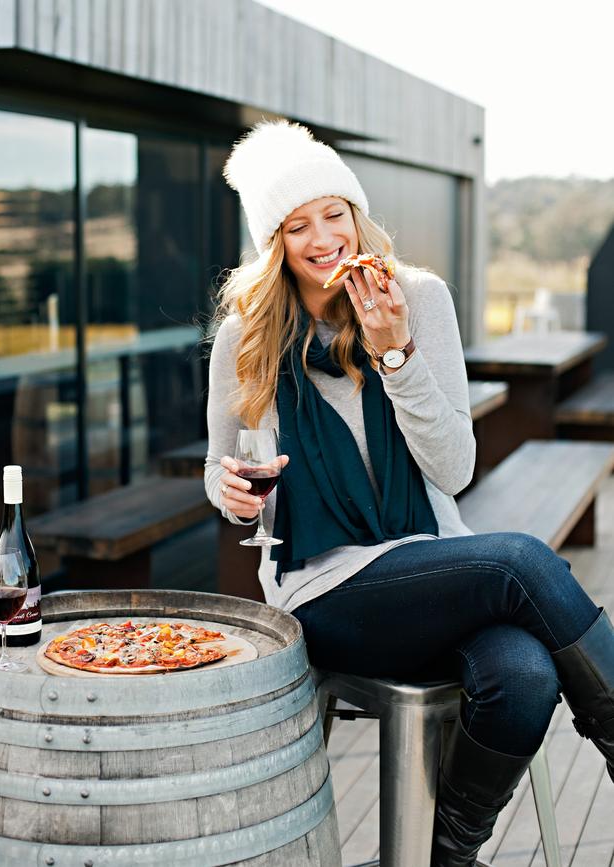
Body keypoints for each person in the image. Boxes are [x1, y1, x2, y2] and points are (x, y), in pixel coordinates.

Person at [204, 120, 614, 867]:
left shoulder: (418, 298)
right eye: (297, 226)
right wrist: (231, 492)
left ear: (357, 215)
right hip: (323, 585)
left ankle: (445, 860)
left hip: (432, 562)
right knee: (518, 562)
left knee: (523, 674)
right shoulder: (248, 335)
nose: (323, 237)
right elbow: (221, 467)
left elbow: (454, 470)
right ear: (276, 243)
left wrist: (394, 350)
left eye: (334, 213)